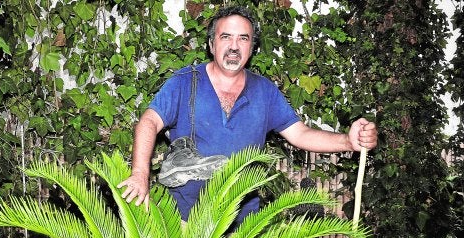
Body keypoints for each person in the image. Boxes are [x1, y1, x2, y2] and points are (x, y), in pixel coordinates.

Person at [117, 5, 378, 224]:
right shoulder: (185, 82)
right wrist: (140, 174)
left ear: (252, 47)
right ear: (211, 44)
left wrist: (348, 141)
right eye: (225, 37)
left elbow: (299, 133)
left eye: (243, 38)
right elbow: (149, 121)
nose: (234, 46)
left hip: (242, 226)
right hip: (184, 221)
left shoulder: (264, 91)